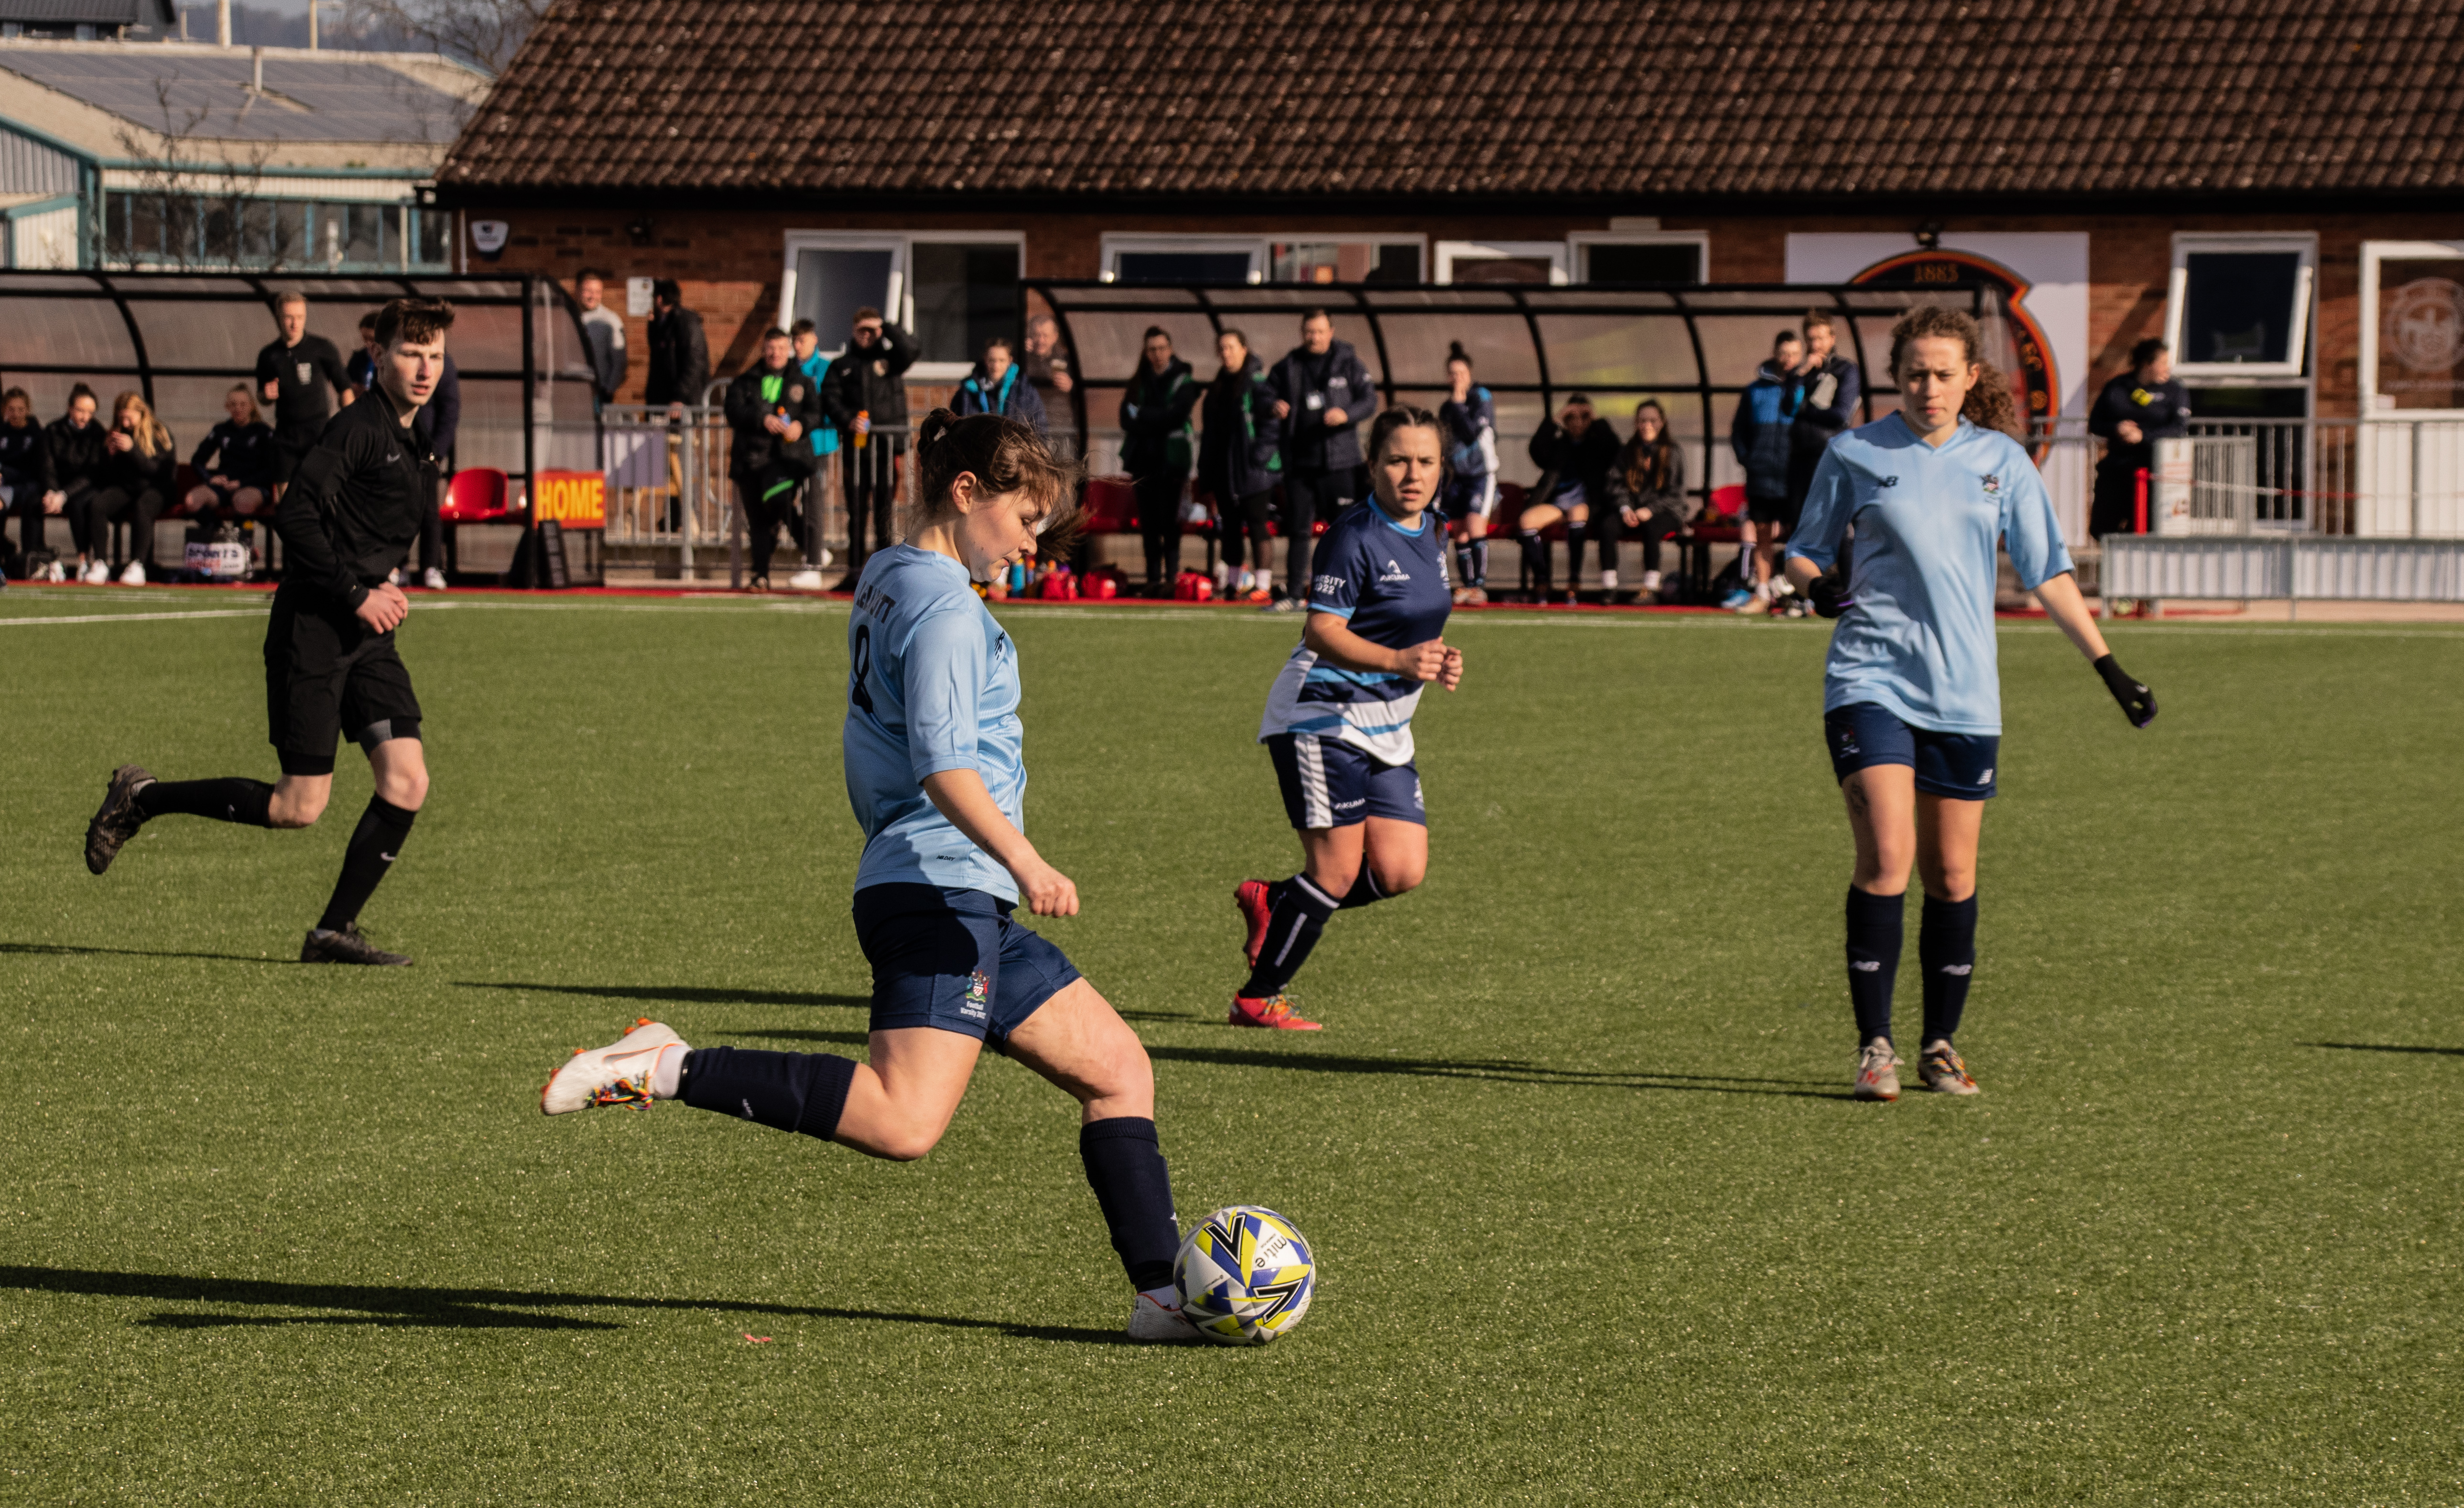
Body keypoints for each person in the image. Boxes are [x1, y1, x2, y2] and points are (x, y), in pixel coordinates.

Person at [538, 410, 1206, 1344]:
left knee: (1118, 1067)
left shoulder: (893, 571)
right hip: (940, 886)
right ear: (966, 493)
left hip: (948, 887)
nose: (1031, 543)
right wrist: (1025, 855)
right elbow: (943, 760)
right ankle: (663, 1064)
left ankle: (1161, 1297)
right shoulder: (943, 607)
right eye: (1023, 517)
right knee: (902, 1119)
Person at [1782, 304, 2159, 1103]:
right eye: (1915, 372)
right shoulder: (1854, 451)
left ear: (1971, 378)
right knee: (1888, 859)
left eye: (1944, 373)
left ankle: (1938, 1045)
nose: (1929, 387)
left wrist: (2108, 666)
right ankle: (1874, 1046)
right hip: (1869, 679)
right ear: (1897, 377)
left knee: (1952, 874)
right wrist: (1820, 589)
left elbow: (2049, 570)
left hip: (1964, 694)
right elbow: (1802, 552)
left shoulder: (2002, 462)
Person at [83, 297, 458, 967]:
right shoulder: (358, 428)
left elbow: (361, 525)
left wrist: (381, 578)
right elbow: (295, 519)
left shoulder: (413, 433)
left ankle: (331, 932)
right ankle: (141, 798)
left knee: (407, 780)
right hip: (315, 626)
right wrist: (354, 589)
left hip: (365, 633)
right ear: (378, 357)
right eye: (411, 352)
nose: (425, 367)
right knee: (297, 806)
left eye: (434, 355)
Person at [1232, 406, 1466, 1031]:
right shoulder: (1354, 534)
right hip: (1320, 717)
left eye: (1424, 460)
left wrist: (1436, 660)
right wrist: (1397, 657)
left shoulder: (1436, 531)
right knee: (1335, 869)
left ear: (1441, 467)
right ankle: (1258, 996)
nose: (1410, 473)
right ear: (1371, 465)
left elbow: (1415, 619)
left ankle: (1277, 900)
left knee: (1398, 870)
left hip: (1385, 724)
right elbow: (1322, 629)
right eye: (1396, 460)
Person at [1265, 309, 1378, 612]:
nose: (1314, 337)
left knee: (1344, 529)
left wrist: (1346, 415)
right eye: (1309, 332)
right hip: (1299, 463)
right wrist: (1273, 404)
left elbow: (1369, 399)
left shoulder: (1348, 362)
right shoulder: (1290, 364)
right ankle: (1293, 594)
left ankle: (1349, 592)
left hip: (1339, 461)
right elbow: (1264, 392)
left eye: (1319, 331)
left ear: (1331, 331)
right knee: (1299, 530)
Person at [823, 305, 918, 588]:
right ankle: (854, 572)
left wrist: (886, 327)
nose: (866, 336)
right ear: (853, 331)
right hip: (856, 449)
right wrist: (847, 420)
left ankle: (885, 576)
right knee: (856, 512)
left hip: (887, 448)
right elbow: (829, 398)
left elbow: (912, 348)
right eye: (861, 330)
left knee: (884, 513)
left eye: (871, 331)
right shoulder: (841, 365)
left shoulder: (892, 359)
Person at [722, 326, 821, 591]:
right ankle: (760, 575)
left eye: (780, 348)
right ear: (764, 350)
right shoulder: (747, 380)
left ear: (788, 350)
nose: (775, 353)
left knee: (780, 502)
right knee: (758, 521)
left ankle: (811, 549)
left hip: (786, 459)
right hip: (751, 458)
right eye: (770, 348)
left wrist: (800, 425)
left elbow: (816, 413)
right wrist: (761, 418)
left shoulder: (801, 381)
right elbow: (732, 410)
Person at [1197, 328, 1283, 603]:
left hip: (1253, 472)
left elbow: (1271, 421)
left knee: (1258, 524)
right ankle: (1233, 585)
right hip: (1225, 470)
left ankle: (1263, 584)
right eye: (1222, 348)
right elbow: (1211, 432)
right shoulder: (1218, 386)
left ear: (1244, 350)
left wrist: (1258, 458)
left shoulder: (1257, 382)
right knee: (1231, 528)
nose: (1226, 353)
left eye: (1232, 347)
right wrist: (1206, 470)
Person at [1118, 327, 1199, 596]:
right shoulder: (1138, 381)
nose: (1157, 354)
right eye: (1152, 349)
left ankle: (1171, 579)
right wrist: (1156, 417)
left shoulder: (1183, 381)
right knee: (1149, 524)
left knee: (1170, 523)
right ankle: (1153, 580)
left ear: (1171, 349)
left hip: (1172, 463)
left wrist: (1144, 415)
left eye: (1162, 348)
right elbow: (1126, 419)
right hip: (1143, 463)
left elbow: (1176, 417)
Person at [1726, 328, 1802, 611]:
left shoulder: (1806, 386)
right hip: (1761, 477)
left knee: (1800, 536)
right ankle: (1761, 594)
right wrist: (1750, 460)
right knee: (1762, 537)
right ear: (1775, 353)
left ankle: (1797, 595)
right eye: (1784, 354)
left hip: (1794, 478)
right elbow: (1738, 432)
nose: (1789, 360)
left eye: (1795, 354)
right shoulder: (1754, 391)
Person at [1517, 394, 1620, 604]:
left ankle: (1574, 581)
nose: (1578, 422)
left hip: (1586, 504)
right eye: (1572, 417)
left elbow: (1615, 451)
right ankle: (1541, 579)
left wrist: (1597, 419)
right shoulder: (1559, 443)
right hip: (1555, 502)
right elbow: (1536, 450)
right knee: (1526, 521)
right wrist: (1556, 418)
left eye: (1584, 417)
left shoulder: (1596, 444)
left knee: (1577, 515)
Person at [2088, 338, 2190, 539]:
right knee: (2101, 528)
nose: (2166, 368)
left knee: (2146, 529)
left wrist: (2143, 436)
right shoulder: (2118, 386)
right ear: (2146, 364)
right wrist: (2117, 428)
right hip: (2118, 468)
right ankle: (2119, 558)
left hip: (2154, 470)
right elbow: (2095, 423)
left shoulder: (2174, 390)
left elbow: (2179, 428)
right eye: (2162, 363)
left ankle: (2135, 563)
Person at [255, 292, 353, 501]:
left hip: (317, 431)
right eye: (289, 317)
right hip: (286, 434)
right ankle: (291, 534)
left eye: (300, 317)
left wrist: (351, 425)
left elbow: (344, 389)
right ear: (279, 318)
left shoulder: (322, 348)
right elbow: (262, 396)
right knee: (285, 502)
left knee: (320, 497)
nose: (294, 323)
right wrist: (266, 395)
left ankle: (322, 533)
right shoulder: (269, 355)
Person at [80, 392, 176, 585]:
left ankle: (138, 565)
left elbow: (159, 471)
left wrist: (133, 450)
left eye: (129, 418)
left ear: (141, 414)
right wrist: (109, 455)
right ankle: (100, 563)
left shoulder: (159, 433)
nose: (125, 423)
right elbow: (107, 475)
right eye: (121, 418)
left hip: (158, 488)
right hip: (128, 488)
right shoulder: (117, 432)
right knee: (98, 505)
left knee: (144, 506)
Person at [1603, 399, 1688, 602]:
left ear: (1662, 422)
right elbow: (1615, 485)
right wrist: (1626, 509)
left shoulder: (1673, 452)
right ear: (1636, 423)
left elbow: (1675, 493)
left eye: (1652, 420)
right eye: (1642, 421)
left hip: (1667, 512)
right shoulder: (1627, 451)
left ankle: (1650, 588)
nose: (1647, 425)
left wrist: (1650, 510)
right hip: (1633, 511)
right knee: (1607, 526)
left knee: (1652, 528)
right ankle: (1609, 587)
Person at [1438, 343, 1498, 605]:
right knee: (1459, 531)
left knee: (1475, 526)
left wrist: (1460, 405)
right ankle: (1466, 584)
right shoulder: (1447, 406)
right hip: (1456, 477)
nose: (1456, 378)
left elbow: (1473, 432)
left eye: (1461, 372)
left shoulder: (1479, 397)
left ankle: (1480, 586)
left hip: (1480, 474)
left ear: (1469, 373)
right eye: (1452, 373)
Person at [40, 385, 109, 583]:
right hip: (58, 488)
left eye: (90, 413)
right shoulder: (53, 430)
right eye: (80, 411)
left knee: (79, 504)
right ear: (70, 408)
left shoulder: (97, 433)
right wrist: (52, 492)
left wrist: (64, 495)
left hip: (88, 487)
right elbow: (47, 466)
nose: (85, 417)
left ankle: (85, 560)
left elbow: (93, 473)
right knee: (33, 504)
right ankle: (36, 559)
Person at [185, 385, 276, 522]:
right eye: (233, 405)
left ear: (251, 406)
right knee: (192, 501)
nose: (238, 409)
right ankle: (219, 535)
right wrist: (210, 478)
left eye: (243, 404)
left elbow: (272, 469)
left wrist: (241, 483)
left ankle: (241, 541)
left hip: (253, 486)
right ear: (227, 407)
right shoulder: (221, 430)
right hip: (225, 486)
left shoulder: (262, 431)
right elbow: (198, 460)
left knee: (243, 501)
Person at [644, 279, 711, 419]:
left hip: (681, 404)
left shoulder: (685, 322)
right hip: (663, 401)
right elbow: (659, 357)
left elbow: (695, 363)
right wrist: (653, 326)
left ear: (659, 299)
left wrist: (679, 397)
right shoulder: (663, 323)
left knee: (681, 440)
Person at [956, 336, 1050, 434]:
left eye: (1002, 360)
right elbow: (956, 428)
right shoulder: (968, 391)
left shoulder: (1024, 390)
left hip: (1014, 448)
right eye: (992, 360)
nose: (996, 366)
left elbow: (1040, 428)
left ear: (1010, 361)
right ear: (985, 359)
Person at [2, 386, 46, 576]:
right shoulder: (2, 431)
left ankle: (27, 558)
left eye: (21, 409)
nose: (16, 414)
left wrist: (6, 475)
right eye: (11, 409)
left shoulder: (37, 434)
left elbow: (35, 469)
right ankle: (7, 550)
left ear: (28, 410)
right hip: (6, 486)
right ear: (4, 409)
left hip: (27, 486)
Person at [575, 268, 629, 406]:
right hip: (572, 390)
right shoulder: (568, 317)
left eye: (598, 292)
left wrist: (609, 390)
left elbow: (620, 362)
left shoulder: (610, 321)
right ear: (577, 290)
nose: (593, 296)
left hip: (598, 392)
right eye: (588, 291)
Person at [346, 311, 381, 392]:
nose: (368, 344)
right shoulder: (358, 359)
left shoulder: (391, 360)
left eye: (372, 339)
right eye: (365, 339)